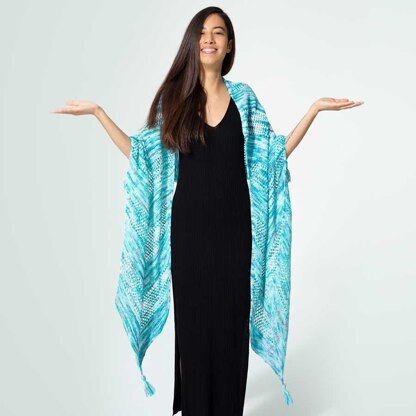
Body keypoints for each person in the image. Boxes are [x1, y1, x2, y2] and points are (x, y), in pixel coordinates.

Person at [51, 6, 363, 416]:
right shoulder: (174, 100)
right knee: (195, 336)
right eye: (202, 32)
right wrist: (98, 114)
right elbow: (143, 159)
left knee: (230, 336)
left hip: (236, 236)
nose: (209, 39)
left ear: (229, 45)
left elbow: (272, 160)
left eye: (218, 32)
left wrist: (313, 111)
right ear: (192, 42)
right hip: (189, 237)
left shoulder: (244, 99)